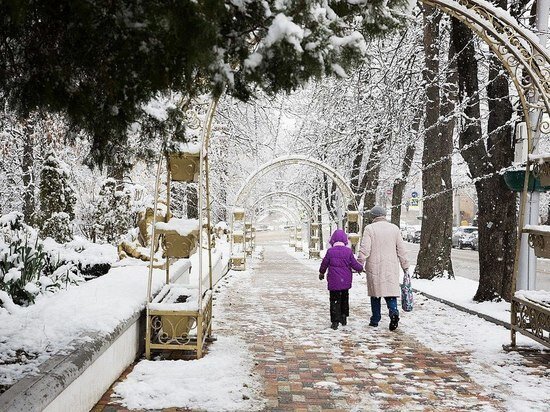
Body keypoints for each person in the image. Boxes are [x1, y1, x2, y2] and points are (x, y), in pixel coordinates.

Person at [358, 206, 409, 331]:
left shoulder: (369, 229)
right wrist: (405, 266)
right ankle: (393, 312)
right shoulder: (394, 229)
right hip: (391, 266)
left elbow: (365, 249)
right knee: (390, 292)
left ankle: (375, 319)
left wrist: (360, 263)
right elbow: (401, 249)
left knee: (375, 294)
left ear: (373, 216)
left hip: (374, 266)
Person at [319, 229, 364, 330]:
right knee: (344, 299)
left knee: (334, 300)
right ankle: (343, 317)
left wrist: (321, 273)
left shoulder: (330, 251)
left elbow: (324, 264)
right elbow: (354, 264)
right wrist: (360, 268)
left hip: (334, 281)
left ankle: (335, 321)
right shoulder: (348, 252)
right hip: (345, 281)